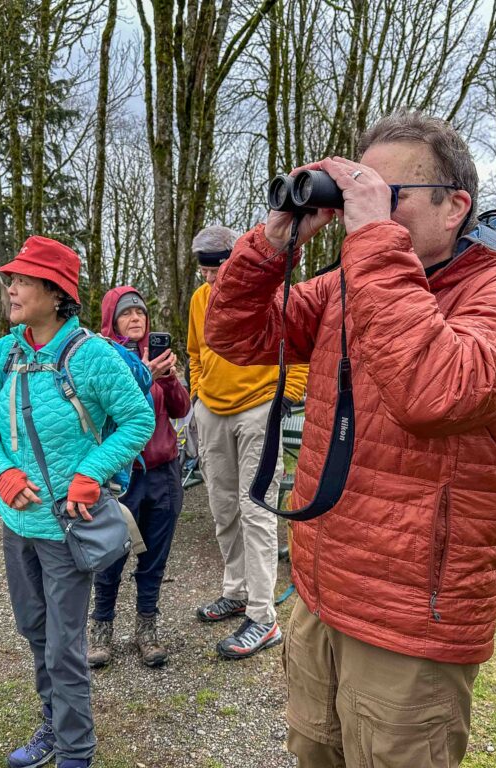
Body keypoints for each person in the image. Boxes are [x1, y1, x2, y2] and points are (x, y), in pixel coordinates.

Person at [205, 111, 496, 766]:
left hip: (409, 621)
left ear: (456, 207)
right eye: (361, 193)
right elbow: (236, 335)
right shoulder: (356, 280)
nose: (367, 213)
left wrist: (370, 243)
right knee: (314, 751)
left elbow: (433, 391)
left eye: (387, 196)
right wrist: (274, 240)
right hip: (320, 587)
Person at [0, 236, 154, 768]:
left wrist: (92, 472)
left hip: (68, 529)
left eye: (23, 279)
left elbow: (140, 419)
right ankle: (52, 724)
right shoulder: (6, 352)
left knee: (64, 646)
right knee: (33, 628)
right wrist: (0, 473)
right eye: (11, 278)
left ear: (55, 291)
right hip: (16, 523)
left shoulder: (91, 355)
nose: (12, 287)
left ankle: (75, 749)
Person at [187, 225, 309, 659]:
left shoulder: (272, 294)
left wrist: (287, 396)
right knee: (222, 507)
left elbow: (300, 349)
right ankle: (235, 591)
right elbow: (195, 352)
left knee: (255, 508)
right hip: (213, 411)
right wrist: (198, 393)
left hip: (260, 407)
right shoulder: (200, 300)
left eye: (216, 270)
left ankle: (263, 617)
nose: (210, 280)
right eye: (204, 272)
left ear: (234, 261)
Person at [87, 286, 190, 668]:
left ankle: (147, 628)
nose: (135, 318)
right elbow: (102, 410)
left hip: (163, 471)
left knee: (155, 558)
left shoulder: (157, 356)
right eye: (126, 313)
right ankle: (101, 627)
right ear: (111, 319)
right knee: (112, 553)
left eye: (140, 313)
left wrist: (168, 378)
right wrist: (144, 375)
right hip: (120, 475)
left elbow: (180, 409)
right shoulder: (100, 357)